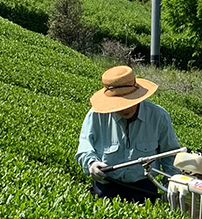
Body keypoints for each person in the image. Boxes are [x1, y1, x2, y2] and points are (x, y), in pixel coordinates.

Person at [76, 64, 182, 202]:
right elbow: (84, 148)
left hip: (144, 188)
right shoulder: (96, 115)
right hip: (106, 187)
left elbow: (171, 154)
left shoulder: (158, 116)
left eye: (129, 101)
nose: (125, 108)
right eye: (119, 104)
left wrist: (170, 184)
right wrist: (92, 164)